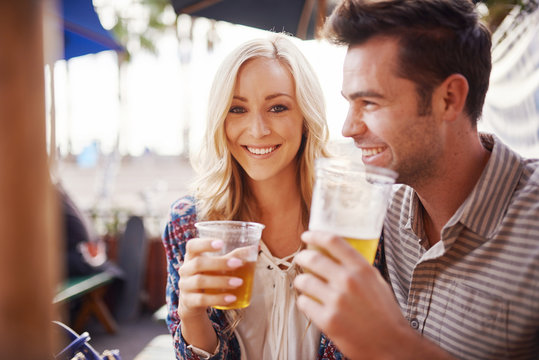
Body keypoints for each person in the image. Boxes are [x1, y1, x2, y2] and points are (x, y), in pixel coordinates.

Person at [293, 1, 539, 359]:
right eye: (350, 103)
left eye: (370, 103)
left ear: (449, 99)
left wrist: (392, 343)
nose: (348, 128)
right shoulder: (383, 212)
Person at [162, 33, 345, 359]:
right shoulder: (190, 223)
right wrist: (191, 315)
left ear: (306, 118)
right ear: (221, 120)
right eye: (237, 109)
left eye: (277, 107)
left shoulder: (347, 221)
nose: (258, 129)